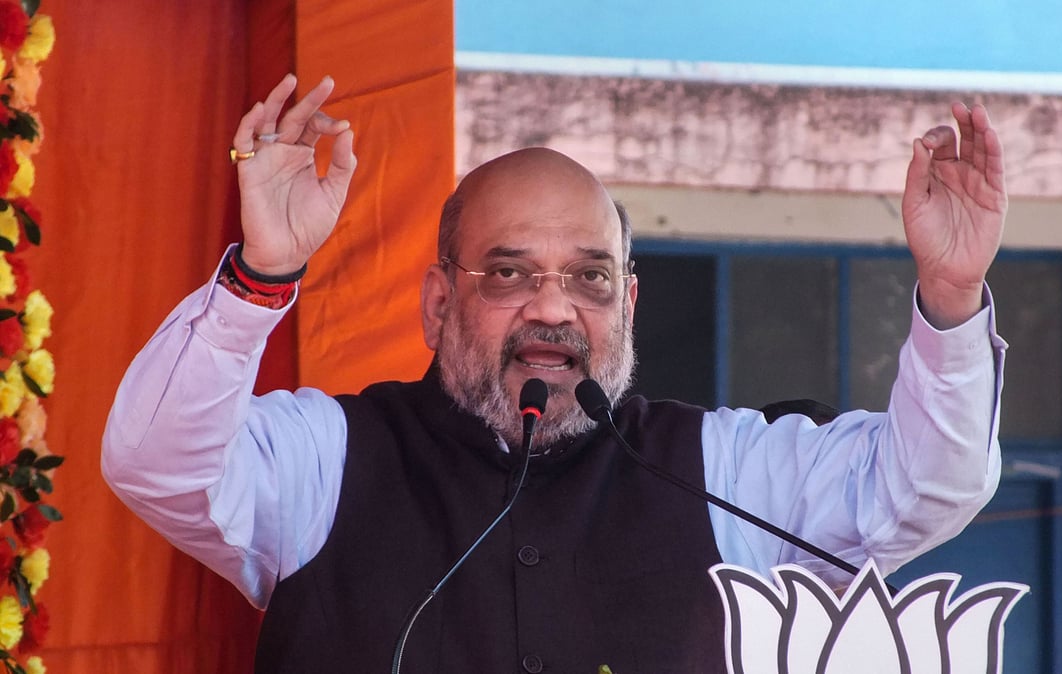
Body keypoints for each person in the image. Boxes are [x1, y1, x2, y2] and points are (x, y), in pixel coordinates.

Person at [102, 73, 1008, 673]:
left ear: (629, 305)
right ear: (435, 304)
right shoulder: (328, 459)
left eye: (589, 277)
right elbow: (158, 463)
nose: (552, 307)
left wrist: (952, 295)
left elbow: (922, 491)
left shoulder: (721, 468)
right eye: (507, 272)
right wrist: (259, 280)